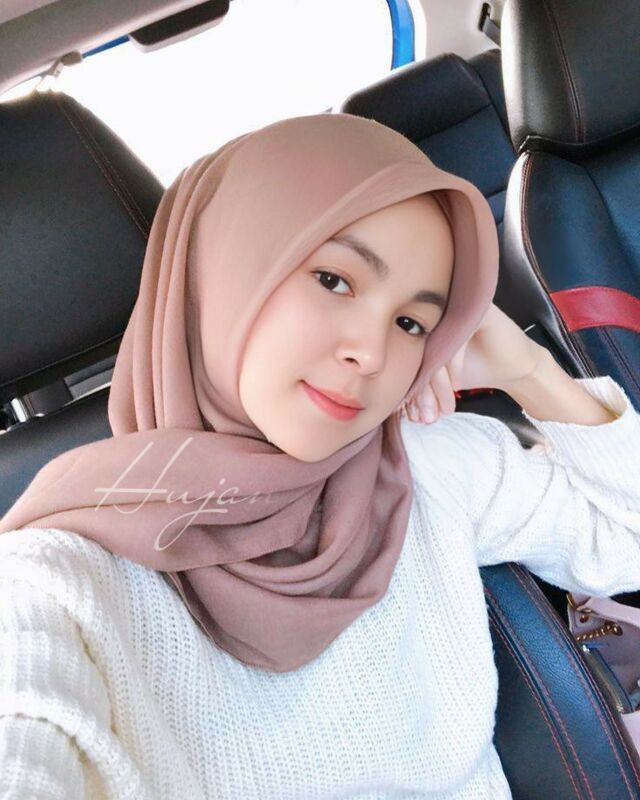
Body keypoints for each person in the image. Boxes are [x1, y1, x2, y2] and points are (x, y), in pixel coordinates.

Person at [0, 112, 638, 800]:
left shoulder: (427, 466)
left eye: (412, 323)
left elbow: (625, 542)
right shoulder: (58, 583)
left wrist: (530, 373)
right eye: (334, 280)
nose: (372, 352)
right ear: (222, 276)